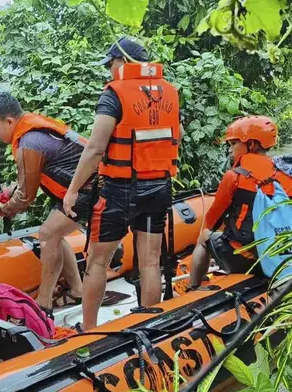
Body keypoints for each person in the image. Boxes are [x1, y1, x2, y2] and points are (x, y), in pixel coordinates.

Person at [63, 37, 181, 331]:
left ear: (123, 62)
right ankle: (151, 327)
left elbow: (94, 149)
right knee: (151, 262)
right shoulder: (169, 92)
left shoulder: (113, 94)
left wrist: (73, 189)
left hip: (119, 189)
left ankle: (89, 331)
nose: (110, 69)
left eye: (112, 63)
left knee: (98, 263)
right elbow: (176, 133)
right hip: (158, 186)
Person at [187, 116, 292, 287]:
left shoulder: (234, 177)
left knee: (204, 237)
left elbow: (212, 221)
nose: (230, 150)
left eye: (233, 144)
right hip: (284, 258)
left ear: (251, 144)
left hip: (244, 258)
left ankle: (192, 288)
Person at [0, 92, 89, 318]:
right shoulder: (32, 132)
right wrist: (4, 193)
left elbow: (25, 196)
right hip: (74, 189)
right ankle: (78, 289)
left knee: (48, 233)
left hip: (88, 188)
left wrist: (1, 209)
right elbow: (25, 182)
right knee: (55, 234)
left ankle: (43, 304)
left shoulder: (29, 142)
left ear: (9, 122)